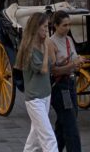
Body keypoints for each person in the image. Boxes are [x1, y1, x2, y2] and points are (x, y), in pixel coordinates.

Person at [14, 12, 57, 152]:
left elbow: (53, 62)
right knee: (48, 137)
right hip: (35, 99)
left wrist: (48, 46)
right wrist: (45, 48)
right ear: (36, 27)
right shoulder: (29, 48)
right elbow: (44, 69)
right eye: (44, 26)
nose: (46, 29)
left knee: (34, 140)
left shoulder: (42, 44)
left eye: (47, 26)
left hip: (45, 94)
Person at [49, 10, 83, 152]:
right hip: (60, 87)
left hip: (71, 84)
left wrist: (77, 63)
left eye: (69, 24)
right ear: (56, 26)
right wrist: (71, 65)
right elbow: (54, 70)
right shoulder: (51, 42)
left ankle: (53, 149)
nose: (68, 28)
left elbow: (74, 59)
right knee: (71, 126)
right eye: (64, 25)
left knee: (65, 122)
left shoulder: (69, 40)